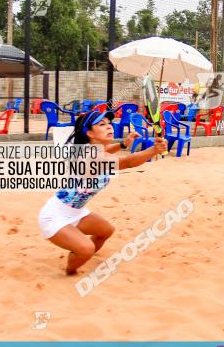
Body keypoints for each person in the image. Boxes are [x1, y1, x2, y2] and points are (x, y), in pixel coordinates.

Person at [38, 109, 167, 275]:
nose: (109, 126)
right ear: (90, 132)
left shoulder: (94, 150)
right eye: (102, 124)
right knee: (86, 249)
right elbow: (127, 162)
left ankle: (81, 250)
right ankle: (71, 269)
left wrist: (122, 145)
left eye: (109, 123)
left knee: (106, 231)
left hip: (76, 213)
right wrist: (154, 150)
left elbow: (105, 153)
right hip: (54, 217)